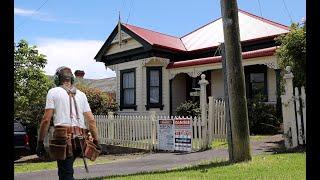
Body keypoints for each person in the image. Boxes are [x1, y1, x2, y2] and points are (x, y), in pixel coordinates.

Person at [36, 66, 101, 180]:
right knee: (67, 171)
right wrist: (96, 141)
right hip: (80, 140)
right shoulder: (82, 94)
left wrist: (40, 142)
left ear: (57, 79)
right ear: (72, 79)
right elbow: (91, 120)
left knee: (65, 174)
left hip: (63, 139)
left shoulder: (53, 92)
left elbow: (46, 120)